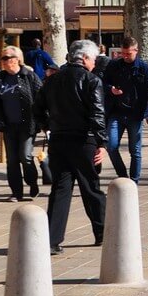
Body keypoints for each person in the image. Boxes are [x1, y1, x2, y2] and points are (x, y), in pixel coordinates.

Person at [33, 39, 107, 254]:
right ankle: (102, 232)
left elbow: (37, 109)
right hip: (84, 140)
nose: (94, 63)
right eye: (93, 59)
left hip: (58, 139)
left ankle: (52, 240)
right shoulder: (91, 80)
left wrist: (49, 126)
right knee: (90, 187)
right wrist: (101, 143)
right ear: (84, 58)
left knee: (60, 189)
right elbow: (98, 113)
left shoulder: (52, 81)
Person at [0, 45, 42, 201]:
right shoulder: (0, 78)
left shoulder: (29, 76)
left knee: (25, 156)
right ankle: (16, 192)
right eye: (2, 58)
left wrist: (45, 121)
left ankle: (32, 183)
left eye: (6, 58)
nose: (3, 61)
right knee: (12, 160)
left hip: (27, 124)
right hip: (9, 125)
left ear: (17, 59)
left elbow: (41, 98)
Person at [102, 37, 148, 184]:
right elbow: (102, 83)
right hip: (116, 112)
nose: (126, 57)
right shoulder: (114, 65)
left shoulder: (144, 68)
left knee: (135, 151)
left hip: (136, 113)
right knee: (111, 146)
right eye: (123, 53)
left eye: (129, 54)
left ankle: (134, 182)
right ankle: (123, 177)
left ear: (136, 51)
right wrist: (111, 89)